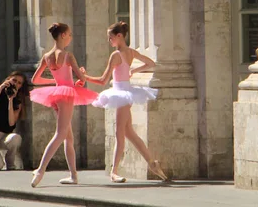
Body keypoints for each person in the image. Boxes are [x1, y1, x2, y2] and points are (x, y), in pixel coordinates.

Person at [84, 21, 168, 183]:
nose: (109, 42)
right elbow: (151, 63)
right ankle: (152, 163)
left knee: (119, 134)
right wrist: (134, 70)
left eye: (110, 38)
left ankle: (114, 171)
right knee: (129, 133)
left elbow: (102, 80)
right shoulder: (131, 52)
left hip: (121, 94)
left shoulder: (115, 55)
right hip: (126, 92)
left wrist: (85, 77)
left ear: (119, 36)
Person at [29, 23, 98, 187]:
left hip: (57, 94)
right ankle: (40, 170)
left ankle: (73, 175)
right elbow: (82, 78)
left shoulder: (47, 56)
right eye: (69, 34)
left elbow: (35, 80)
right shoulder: (68, 55)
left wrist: (57, 82)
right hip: (65, 95)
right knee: (61, 134)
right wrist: (82, 75)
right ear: (62, 36)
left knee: (68, 137)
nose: (71, 37)